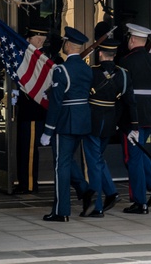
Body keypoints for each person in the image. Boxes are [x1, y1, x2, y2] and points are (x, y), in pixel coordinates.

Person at [39, 26, 93, 222]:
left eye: (64, 42)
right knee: (67, 159)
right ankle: (85, 190)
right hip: (82, 121)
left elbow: (56, 103)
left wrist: (48, 130)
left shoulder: (61, 70)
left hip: (65, 122)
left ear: (68, 45)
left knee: (60, 165)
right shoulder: (87, 69)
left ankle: (61, 211)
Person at [82, 37, 139, 218]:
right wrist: (134, 126)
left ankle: (97, 206)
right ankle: (111, 192)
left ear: (100, 54)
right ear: (114, 55)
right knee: (98, 159)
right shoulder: (123, 73)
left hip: (92, 121)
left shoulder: (91, 72)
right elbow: (131, 102)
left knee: (93, 163)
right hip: (110, 121)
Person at [120, 22, 151, 214]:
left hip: (133, 118)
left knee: (132, 159)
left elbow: (122, 92)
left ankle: (140, 201)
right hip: (150, 115)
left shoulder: (127, 61)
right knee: (139, 154)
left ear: (131, 40)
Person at [12, 22, 49, 195]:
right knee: (24, 148)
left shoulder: (47, 60)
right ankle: (24, 182)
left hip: (34, 111)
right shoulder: (24, 56)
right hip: (26, 110)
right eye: (37, 37)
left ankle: (28, 184)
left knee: (30, 150)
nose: (40, 40)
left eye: (42, 37)